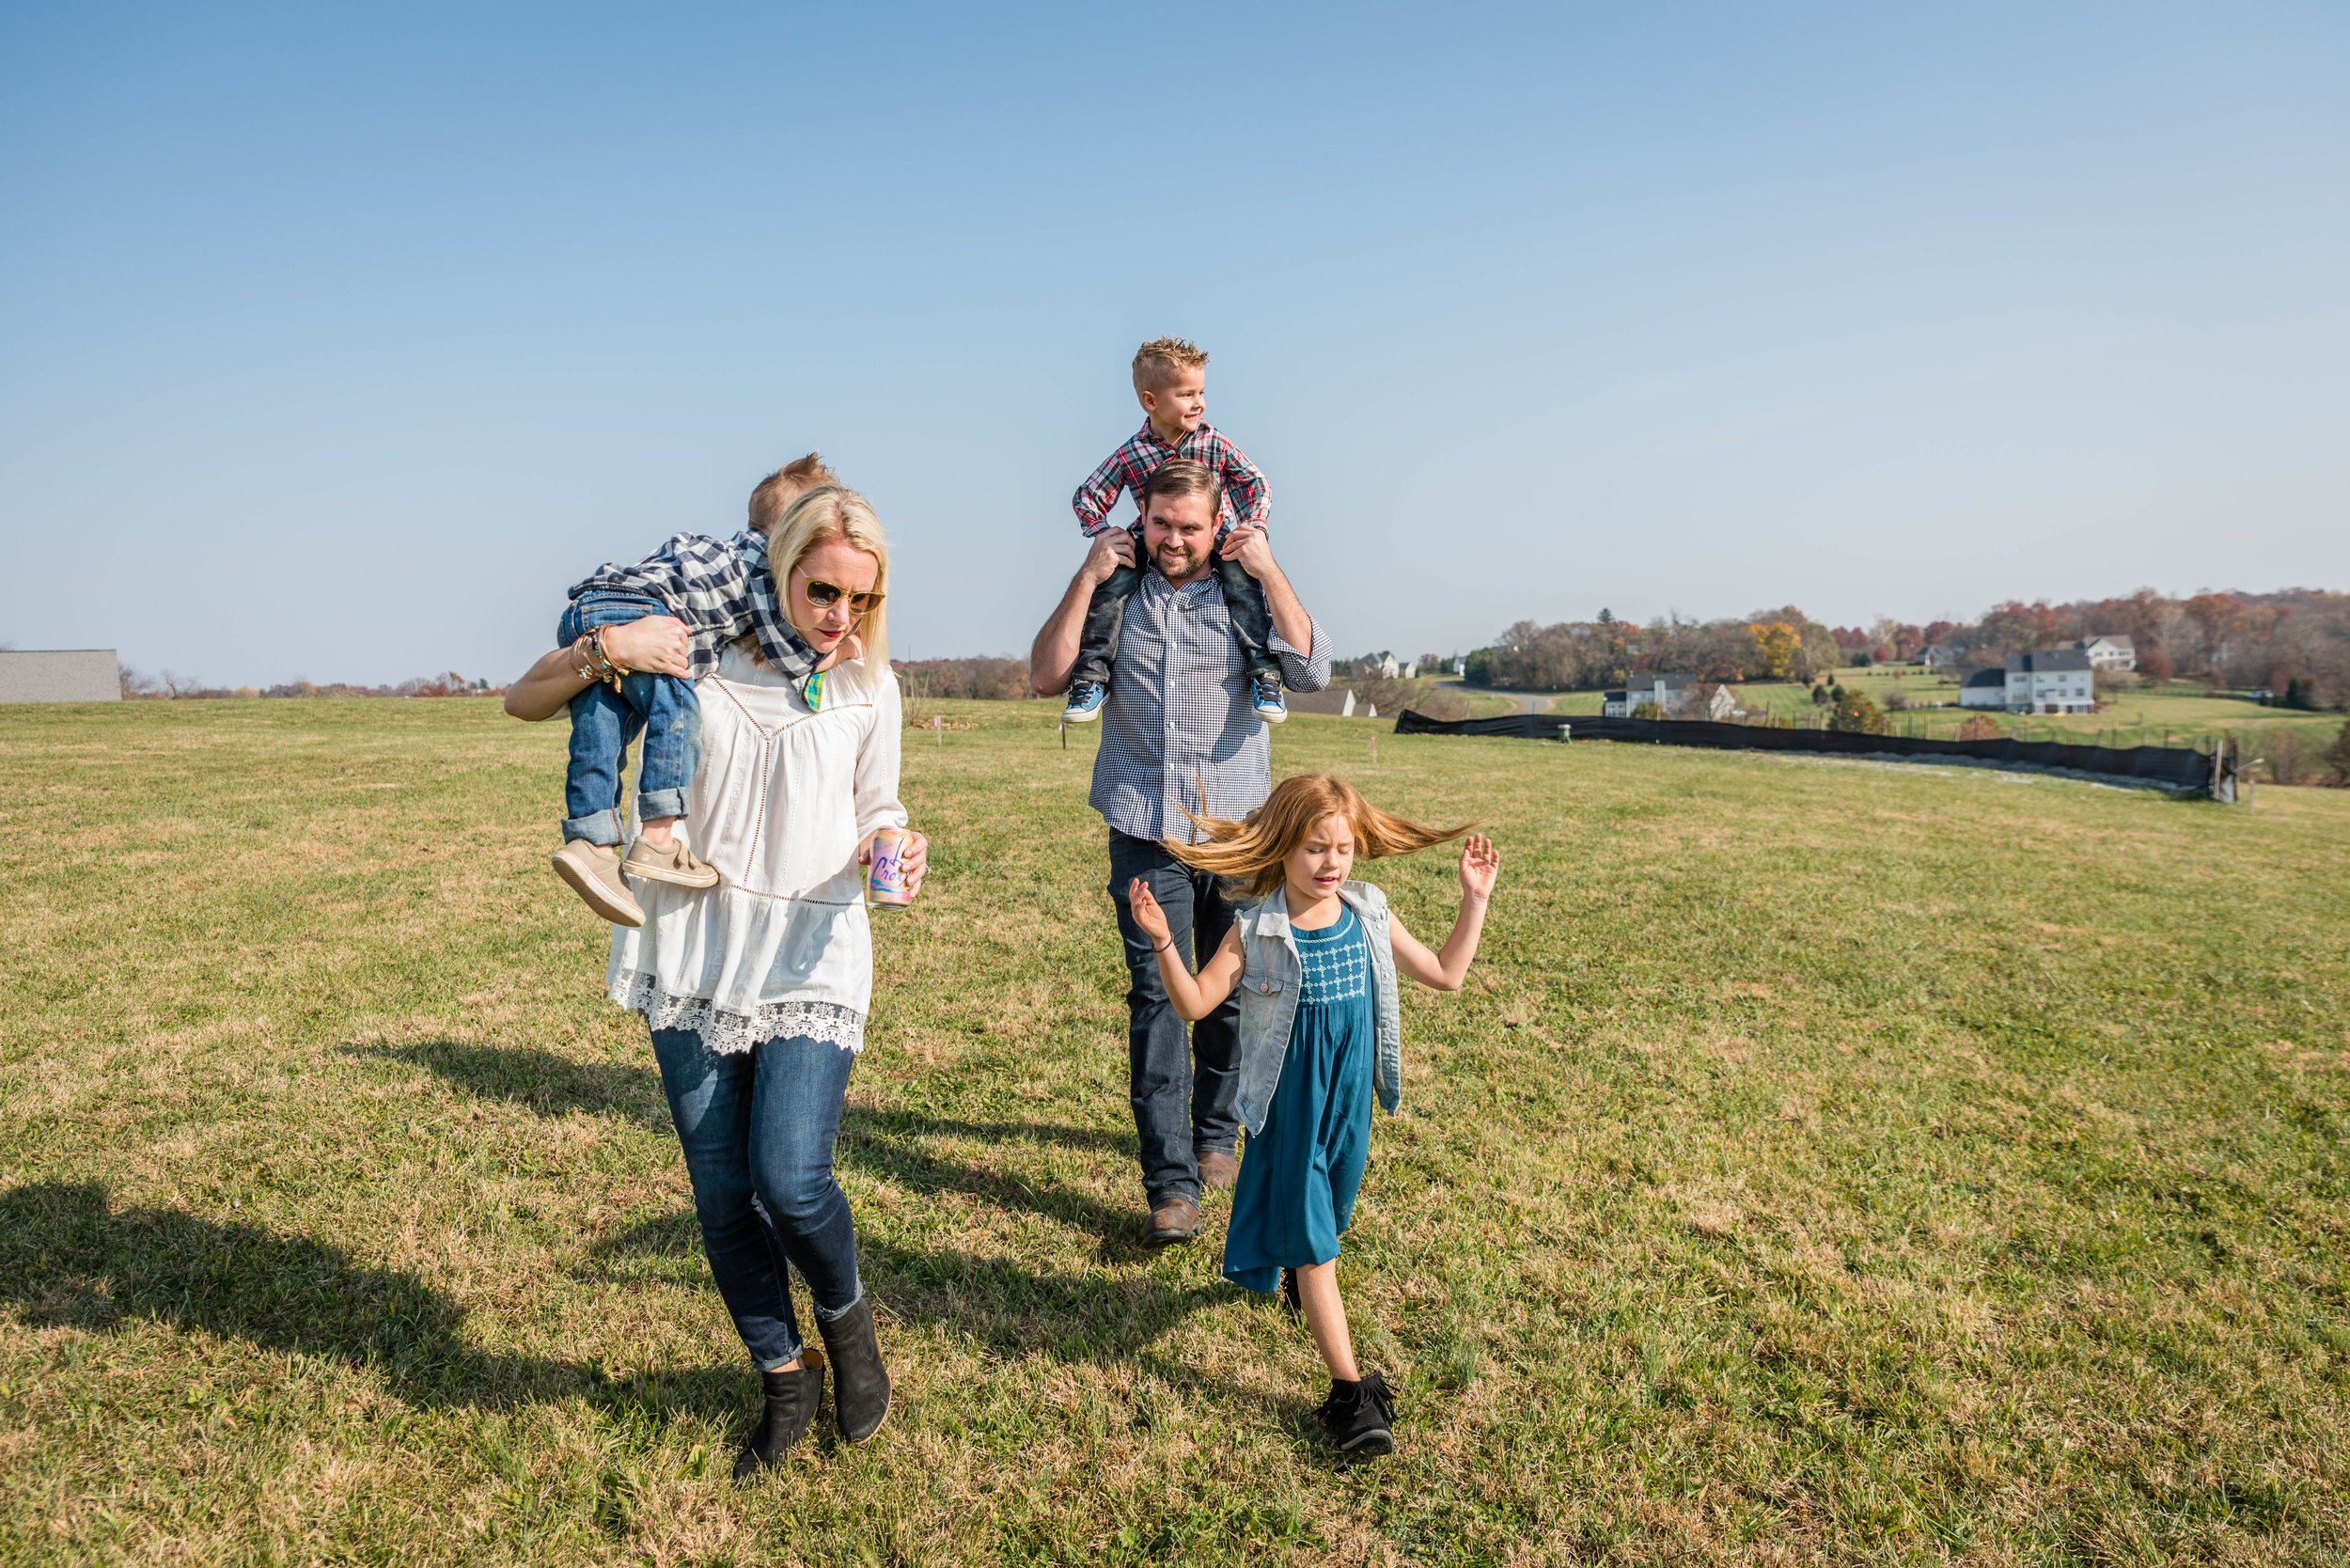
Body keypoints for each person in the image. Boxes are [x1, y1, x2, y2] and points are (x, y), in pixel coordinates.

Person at [505, 484, 926, 1478]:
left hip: (813, 946)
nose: (838, 617)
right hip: (691, 942)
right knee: (724, 1195)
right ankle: (784, 1378)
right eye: (822, 591)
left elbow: (880, 801)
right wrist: (603, 653)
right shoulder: (696, 640)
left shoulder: (869, 679)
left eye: (860, 602)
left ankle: (846, 1321)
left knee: (792, 1178)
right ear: (777, 565)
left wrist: (894, 845)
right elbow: (524, 699)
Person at [1125, 775, 1499, 1456]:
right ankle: (1352, 1397)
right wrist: (1162, 941)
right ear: (1280, 849)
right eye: (1314, 849)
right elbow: (1194, 1005)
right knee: (1317, 1245)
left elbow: (1447, 973)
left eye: (1344, 849)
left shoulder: (1369, 915)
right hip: (1290, 1108)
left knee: (1333, 1214)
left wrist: (1473, 902)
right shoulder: (1255, 930)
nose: (1331, 864)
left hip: (1349, 1103)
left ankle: (1300, 1275)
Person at [1028, 458, 1331, 1245]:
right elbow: (1045, 674)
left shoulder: (1243, 589)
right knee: (1157, 1000)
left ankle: (1217, 1133)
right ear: (1143, 515)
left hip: (1237, 837)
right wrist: (1085, 574)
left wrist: (1268, 566)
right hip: (1143, 827)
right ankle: (1170, 1184)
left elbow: (1310, 668)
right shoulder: (1115, 587)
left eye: (1190, 527)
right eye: (1161, 523)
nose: (1173, 539)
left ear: (1216, 522)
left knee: (1232, 993)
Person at [544, 452, 838, 928]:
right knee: (677, 709)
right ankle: (658, 840)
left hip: (587, 607)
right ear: (788, 533)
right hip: (639, 614)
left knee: (602, 717)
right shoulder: (763, 566)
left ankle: (590, 841)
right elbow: (786, 649)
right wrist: (829, 660)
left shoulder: (713, 548)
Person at [1060, 337, 1285, 729]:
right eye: (1186, 394)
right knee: (1112, 588)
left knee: (1243, 586)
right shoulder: (1132, 452)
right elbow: (1088, 495)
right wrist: (1103, 533)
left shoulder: (1214, 441)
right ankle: (1091, 678)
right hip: (1150, 543)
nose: (1199, 403)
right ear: (1150, 401)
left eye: (1202, 392)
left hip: (1217, 539)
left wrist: (1254, 528)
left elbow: (1257, 483)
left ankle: (1264, 676)